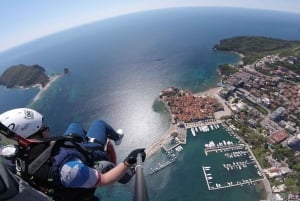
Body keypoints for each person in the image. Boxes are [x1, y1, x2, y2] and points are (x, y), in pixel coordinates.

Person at [0, 108, 146, 201]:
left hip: (69, 148)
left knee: (75, 126)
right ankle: (127, 171)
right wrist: (129, 161)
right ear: (32, 136)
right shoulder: (70, 170)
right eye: (44, 128)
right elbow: (105, 179)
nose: (47, 130)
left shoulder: (16, 161)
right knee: (100, 124)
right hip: (90, 153)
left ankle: (89, 140)